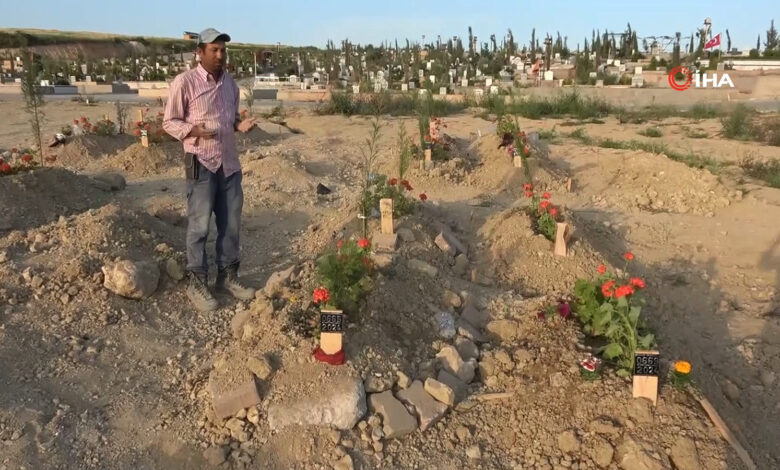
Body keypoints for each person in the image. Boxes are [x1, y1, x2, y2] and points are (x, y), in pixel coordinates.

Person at [163, 28, 256, 311]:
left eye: (223, 50)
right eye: (214, 50)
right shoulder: (185, 83)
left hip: (228, 164)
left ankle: (227, 276)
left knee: (230, 224)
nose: (220, 55)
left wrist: (238, 126)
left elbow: (228, 120)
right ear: (200, 52)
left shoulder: (231, 85)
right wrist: (193, 129)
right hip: (201, 163)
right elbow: (169, 122)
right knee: (200, 224)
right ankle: (197, 280)